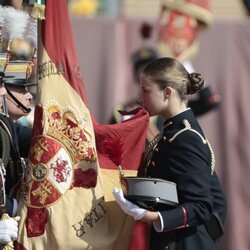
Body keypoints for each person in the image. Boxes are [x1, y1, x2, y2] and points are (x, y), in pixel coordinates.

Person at [113, 57, 227, 250]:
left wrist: (149, 216)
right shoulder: (173, 132)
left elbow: (202, 206)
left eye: (146, 90)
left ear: (167, 92)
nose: (140, 98)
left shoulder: (185, 138)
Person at [109, 23, 221, 143]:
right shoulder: (122, 111)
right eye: (141, 69)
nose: (146, 72)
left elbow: (210, 102)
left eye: (151, 68)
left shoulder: (169, 103)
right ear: (136, 76)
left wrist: (186, 65)